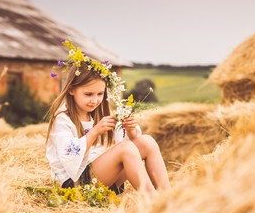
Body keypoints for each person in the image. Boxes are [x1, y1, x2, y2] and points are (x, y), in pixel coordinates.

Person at [45, 42, 170, 196]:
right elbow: (68, 157)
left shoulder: (98, 114)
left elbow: (125, 142)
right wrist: (95, 132)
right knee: (126, 150)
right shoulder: (63, 119)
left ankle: (166, 196)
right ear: (71, 90)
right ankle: (154, 201)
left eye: (100, 94)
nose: (95, 100)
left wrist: (131, 132)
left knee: (147, 141)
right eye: (88, 94)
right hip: (73, 185)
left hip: (101, 179)